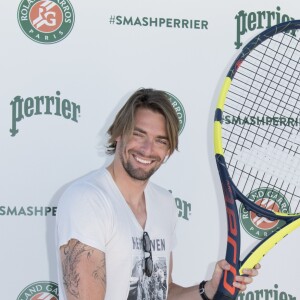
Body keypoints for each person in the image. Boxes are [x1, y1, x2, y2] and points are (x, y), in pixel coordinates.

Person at [56, 88, 260, 300]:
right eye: (138, 134)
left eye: (160, 141)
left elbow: (163, 292)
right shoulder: (87, 200)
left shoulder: (165, 203)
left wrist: (208, 289)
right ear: (118, 134)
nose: (147, 149)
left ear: (168, 150)